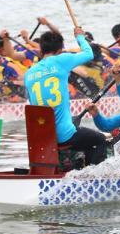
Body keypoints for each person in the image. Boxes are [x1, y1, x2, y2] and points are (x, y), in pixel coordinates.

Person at [25, 29, 108, 168]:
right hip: (64, 135)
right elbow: (89, 54)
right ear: (60, 49)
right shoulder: (61, 60)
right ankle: (92, 178)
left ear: (41, 50)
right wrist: (80, 37)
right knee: (100, 139)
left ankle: (78, 168)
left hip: (43, 138)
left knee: (83, 137)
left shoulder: (28, 74)